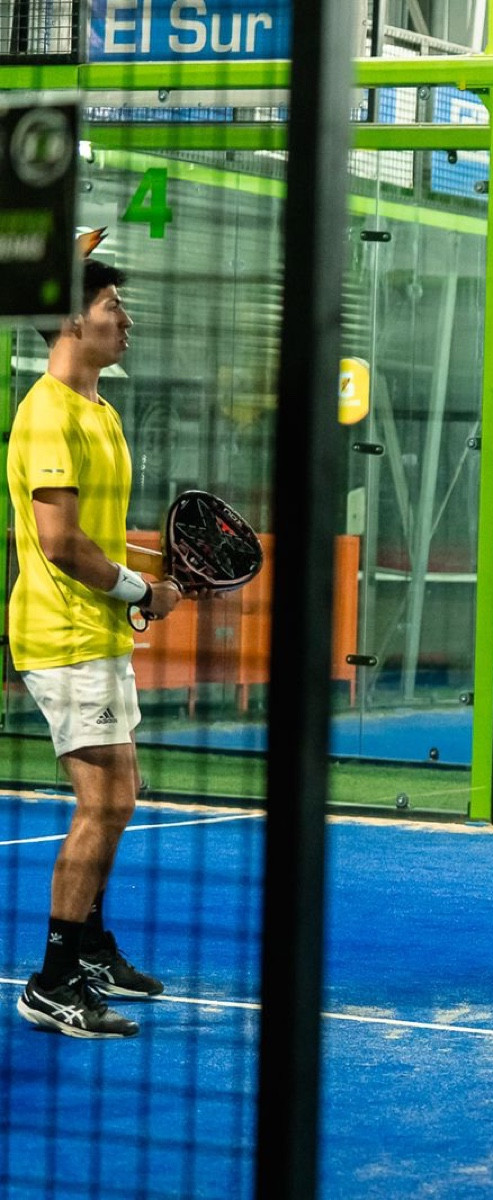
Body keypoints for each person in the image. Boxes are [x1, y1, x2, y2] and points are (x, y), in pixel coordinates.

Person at [11, 241, 183, 1038]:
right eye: (113, 306)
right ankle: (51, 982)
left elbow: (101, 539)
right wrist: (143, 591)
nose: (127, 319)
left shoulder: (101, 412)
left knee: (119, 797)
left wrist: (161, 572)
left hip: (99, 631)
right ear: (73, 322)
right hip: (63, 635)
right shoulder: (47, 413)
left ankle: (88, 947)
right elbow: (59, 545)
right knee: (105, 802)